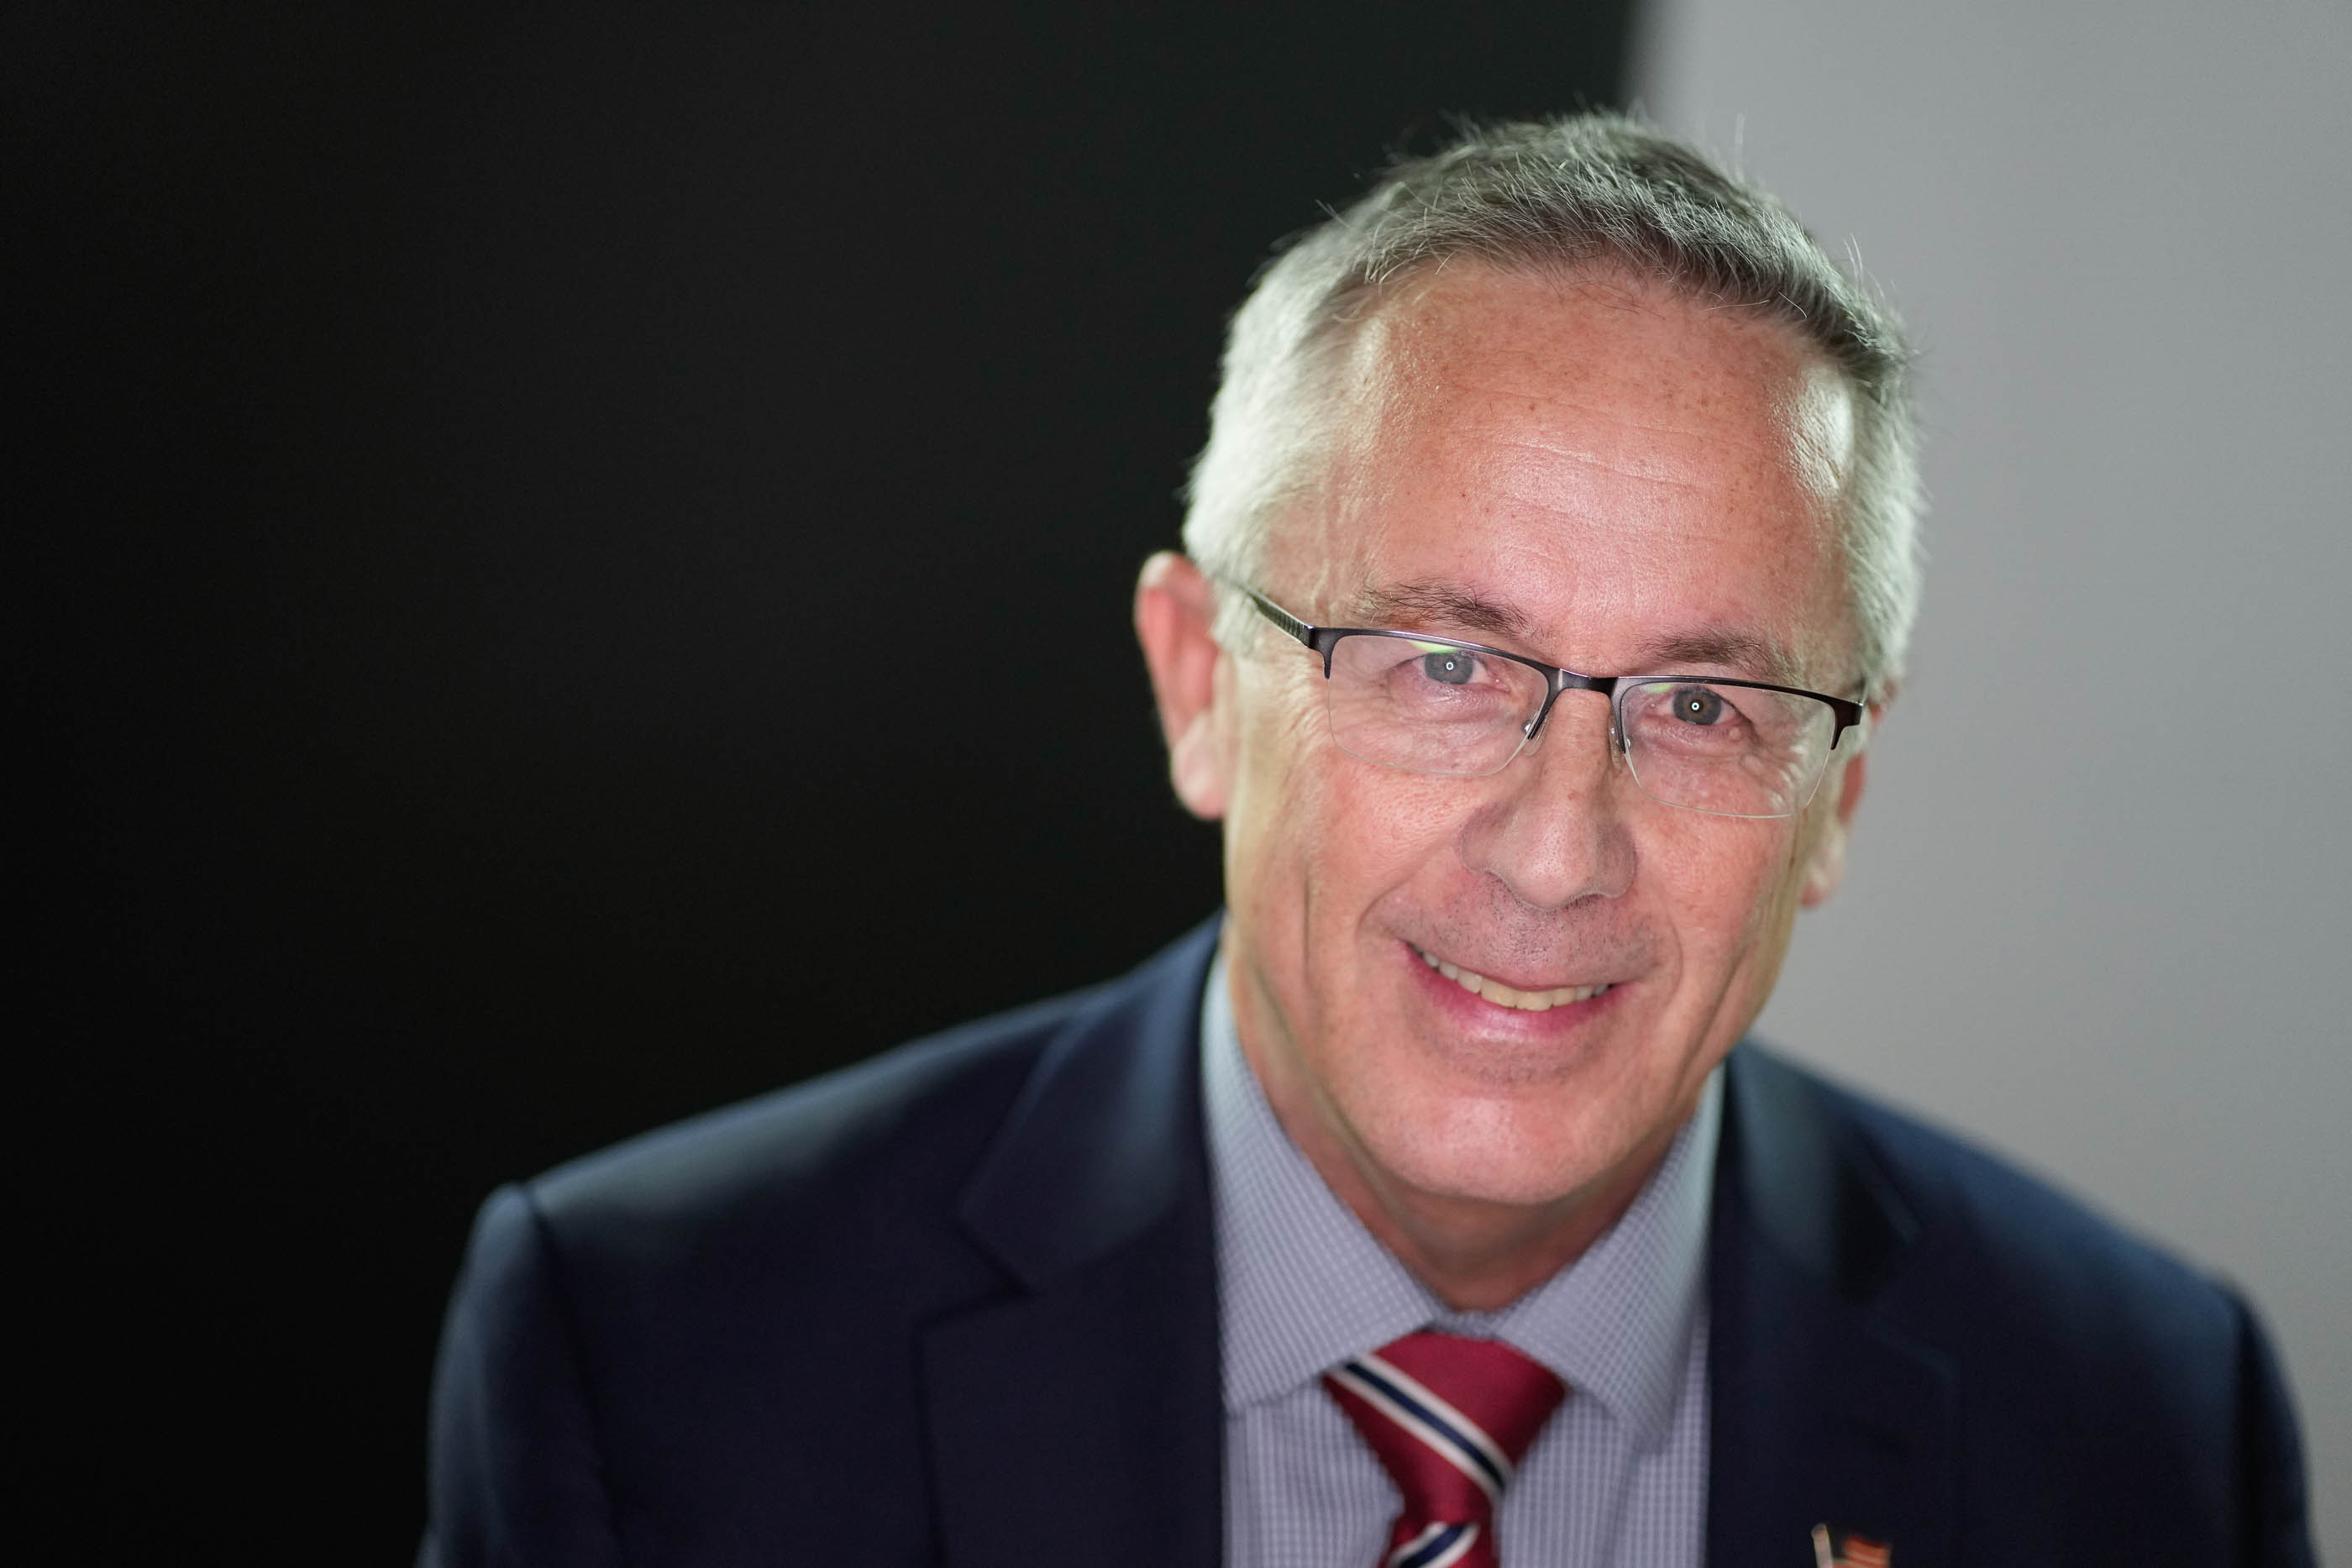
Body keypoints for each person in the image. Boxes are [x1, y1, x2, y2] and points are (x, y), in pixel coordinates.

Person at [422, 114, 2313, 1568]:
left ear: (1839, 797)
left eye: (1701, 707)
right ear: (1196, 684)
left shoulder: (2141, 1426)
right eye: (1443, 665)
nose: (1558, 852)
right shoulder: (656, 1358)